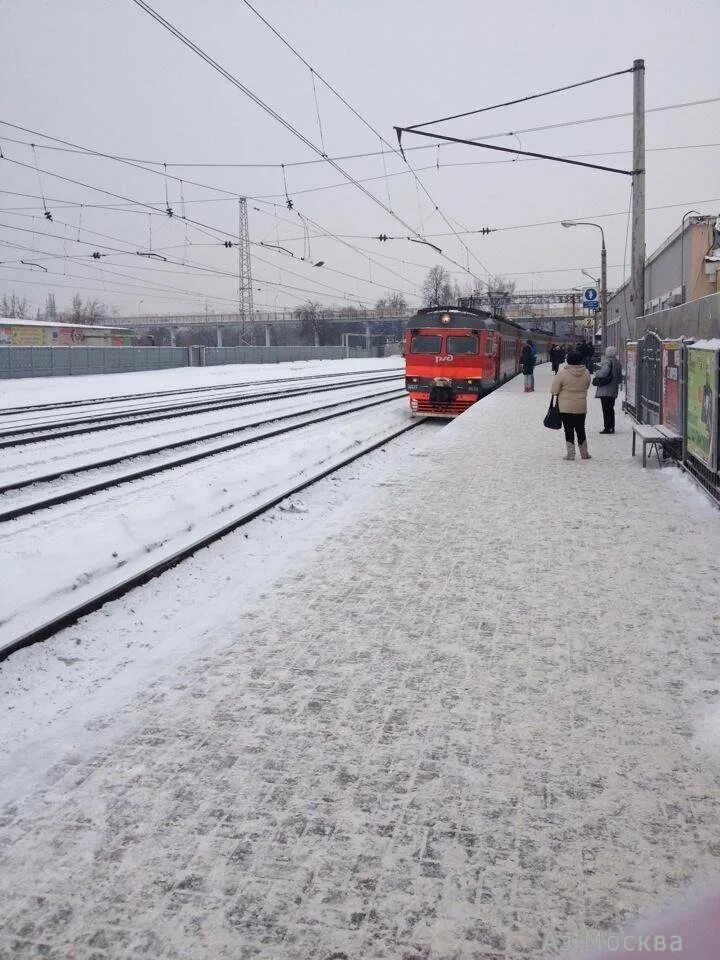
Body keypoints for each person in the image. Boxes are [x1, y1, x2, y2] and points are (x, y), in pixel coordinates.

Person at [550, 351, 592, 460]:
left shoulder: (562, 373)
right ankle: (584, 453)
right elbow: (587, 386)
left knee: (568, 429)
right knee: (580, 428)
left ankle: (571, 454)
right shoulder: (586, 372)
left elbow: (554, 390)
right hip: (581, 405)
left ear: (568, 360)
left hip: (566, 407)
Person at [593, 345, 623, 434]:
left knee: (606, 409)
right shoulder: (617, 362)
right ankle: (611, 427)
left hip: (606, 389)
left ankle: (607, 427)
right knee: (610, 409)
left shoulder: (607, 362)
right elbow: (620, 378)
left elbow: (603, 373)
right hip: (613, 389)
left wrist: (597, 373)